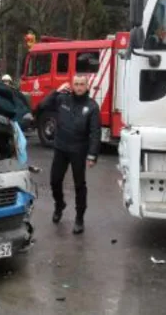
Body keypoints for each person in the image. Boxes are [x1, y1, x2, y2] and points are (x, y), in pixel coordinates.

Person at [37, 74, 101, 234]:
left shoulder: (92, 106)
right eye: (76, 84)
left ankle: (79, 218)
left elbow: (95, 132)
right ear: (72, 85)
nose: (79, 87)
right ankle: (59, 204)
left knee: (79, 185)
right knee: (54, 181)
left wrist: (92, 155)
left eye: (82, 84)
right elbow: (42, 106)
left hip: (79, 150)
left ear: (87, 86)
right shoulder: (62, 99)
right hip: (61, 148)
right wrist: (56, 92)